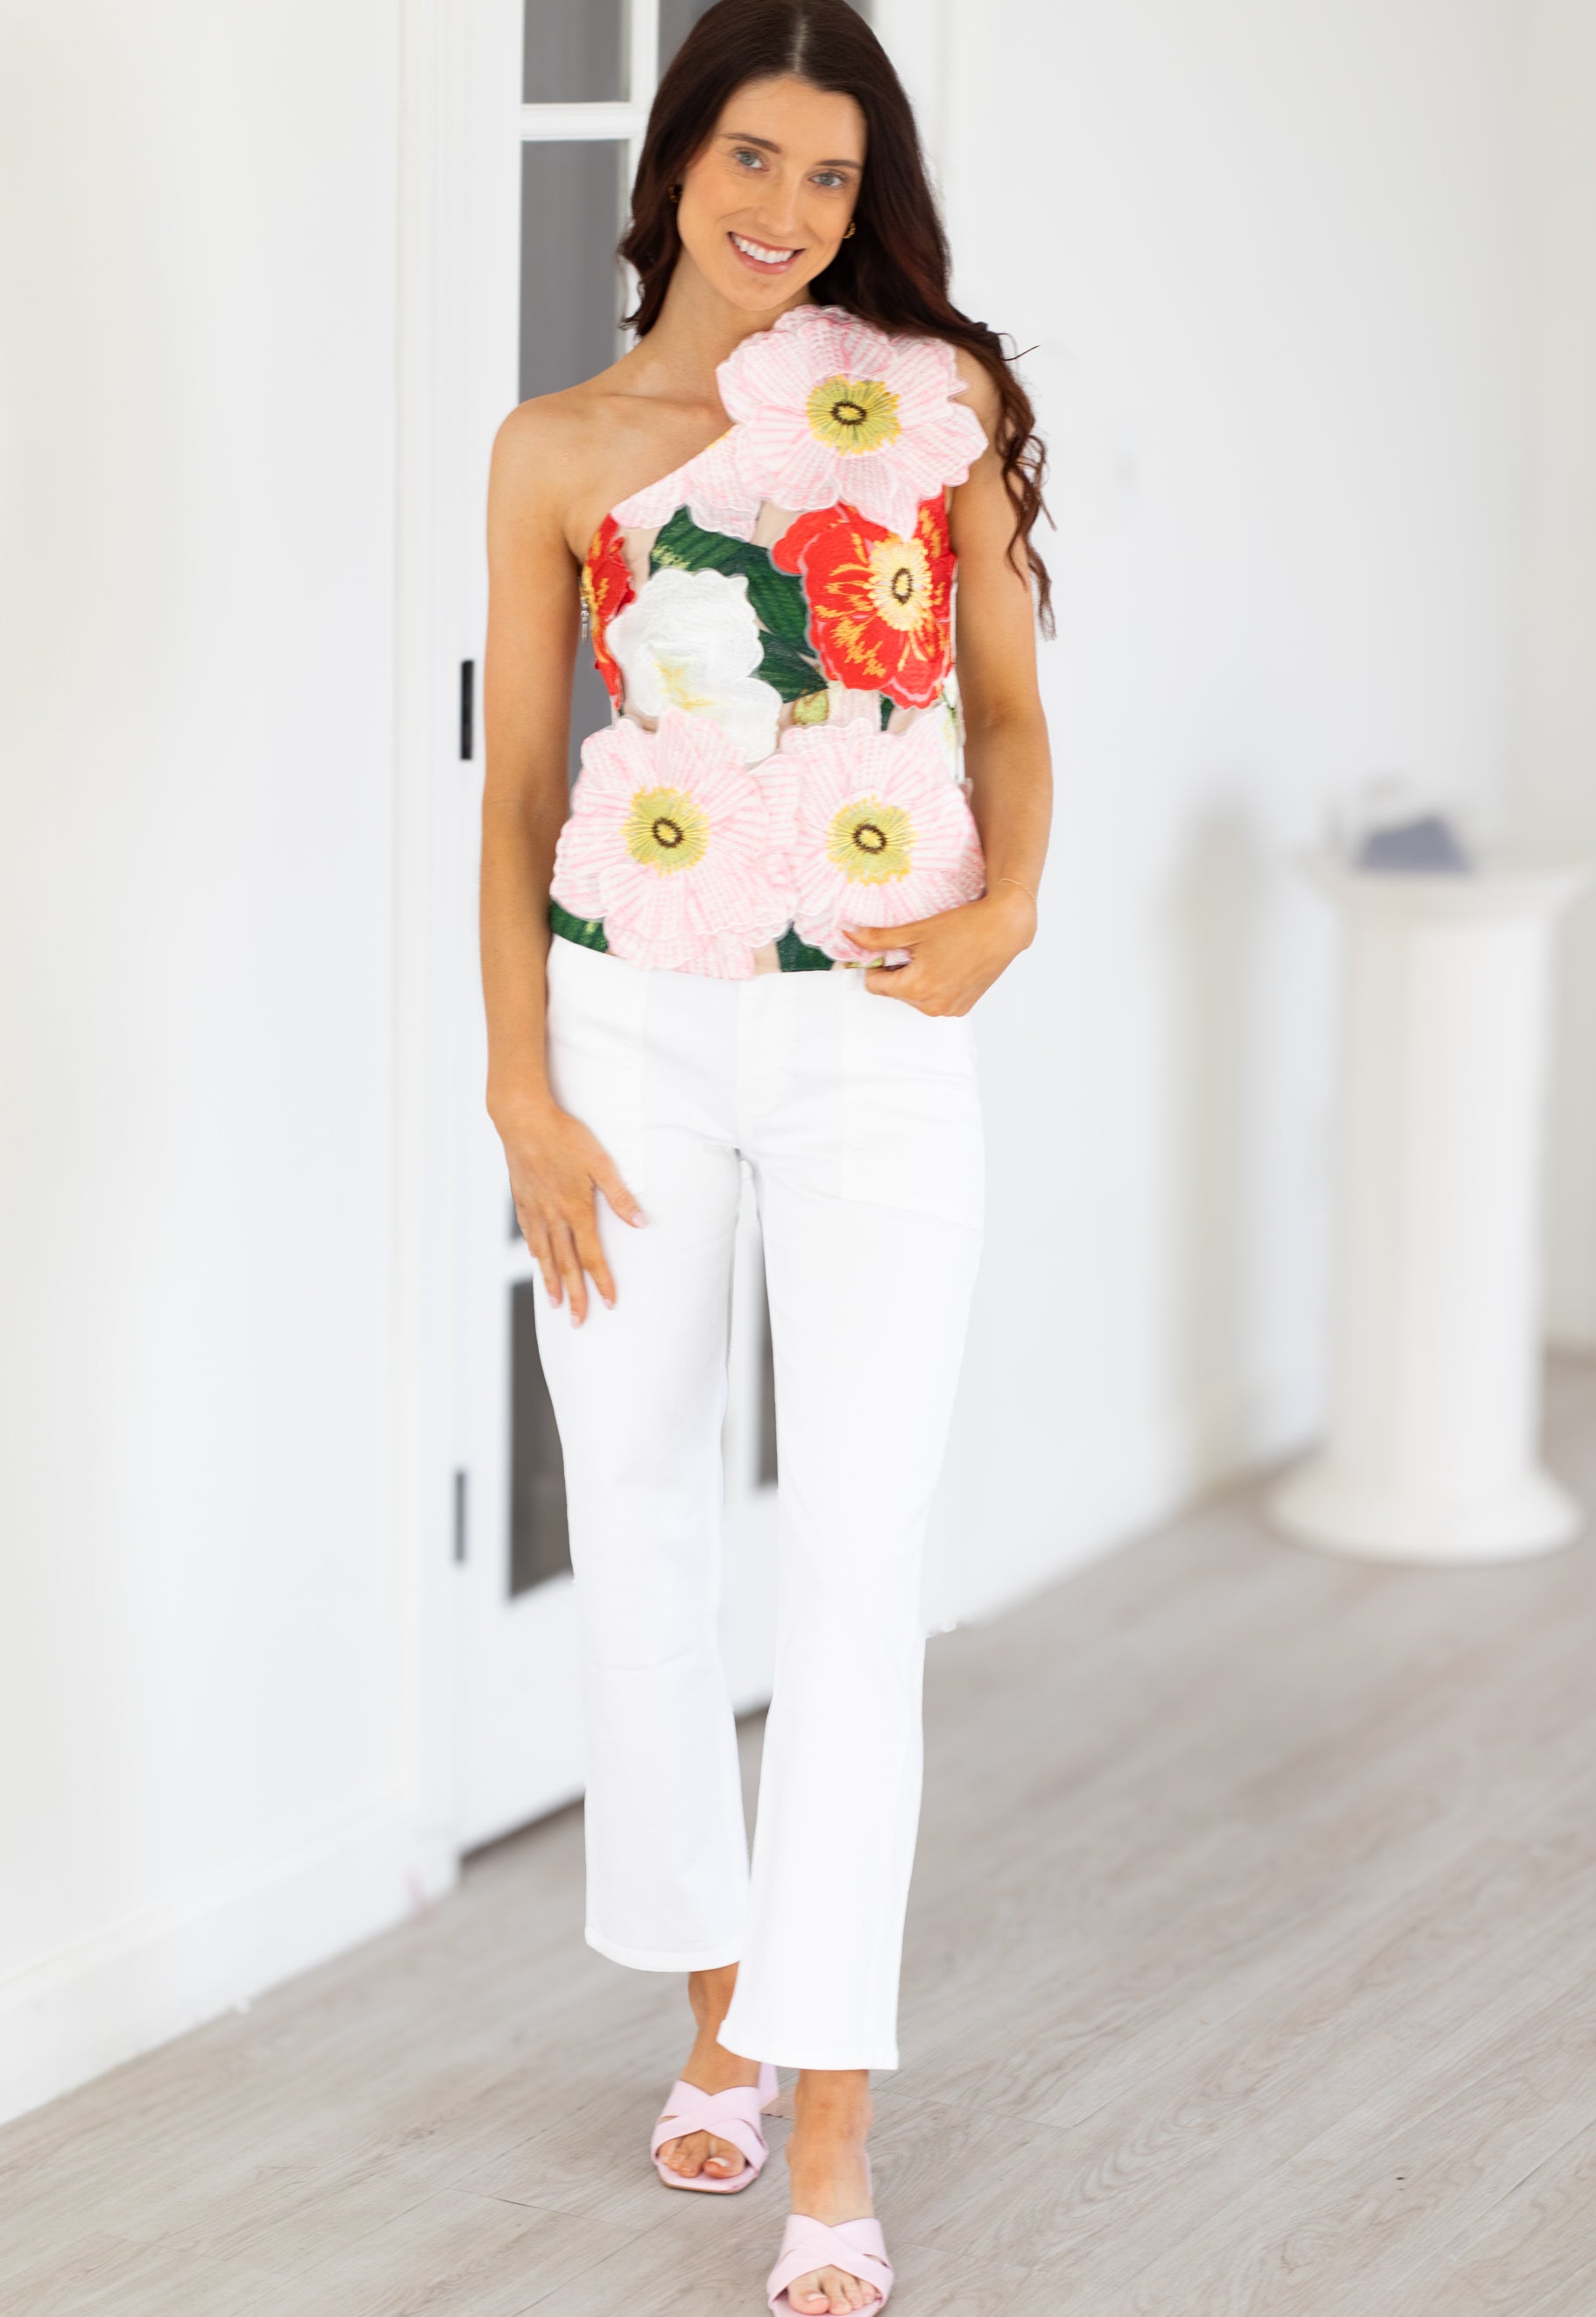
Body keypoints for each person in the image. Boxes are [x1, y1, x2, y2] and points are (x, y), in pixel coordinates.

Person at [478, 3, 1051, 2307]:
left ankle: (831, 2112)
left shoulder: (928, 407)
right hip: (624, 1030)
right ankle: (718, 2012)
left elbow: (1004, 704)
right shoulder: (557, 448)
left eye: (830, 174)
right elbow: (523, 792)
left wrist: (1010, 908)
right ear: (675, 166)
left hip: (872, 1040)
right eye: (750, 158)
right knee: (635, 1522)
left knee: (849, 1562)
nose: (786, 211)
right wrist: (519, 1089)